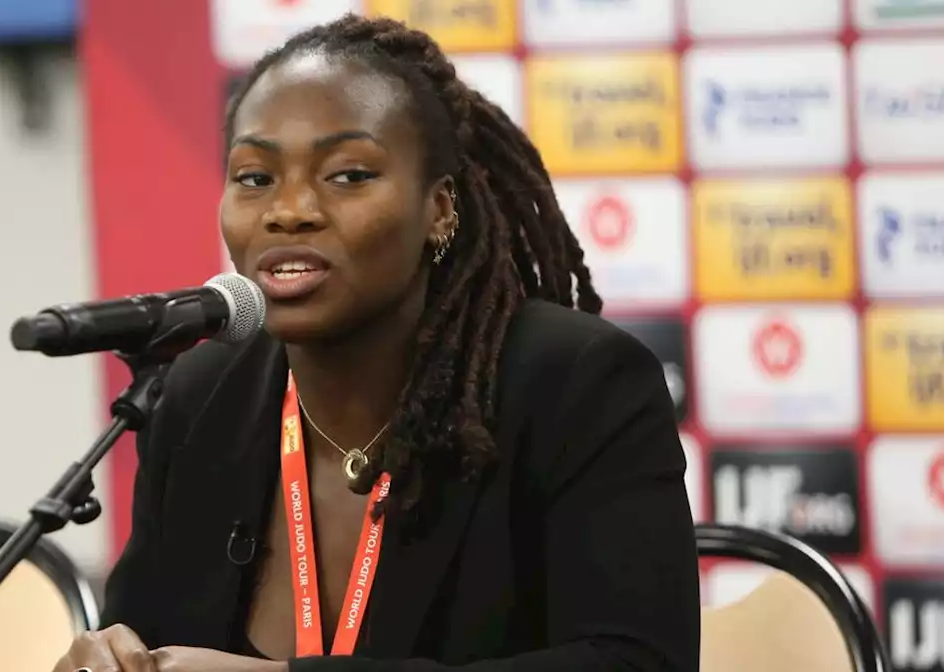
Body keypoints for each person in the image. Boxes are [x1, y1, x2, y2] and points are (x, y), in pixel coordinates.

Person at [53, 13, 699, 672]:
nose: (289, 209)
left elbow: (638, 662)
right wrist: (109, 657)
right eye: (254, 178)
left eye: (348, 174)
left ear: (439, 210)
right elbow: (139, 631)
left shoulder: (577, 384)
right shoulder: (199, 397)